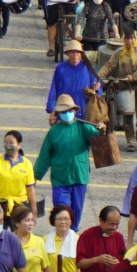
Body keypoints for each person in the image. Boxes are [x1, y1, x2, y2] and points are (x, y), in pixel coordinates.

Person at [31, 96, 100, 230]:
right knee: (61, 209)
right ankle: (62, 234)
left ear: (75, 111)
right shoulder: (54, 132)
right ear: (58, 114)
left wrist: (102, 129)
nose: (67, 114)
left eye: (69, 110)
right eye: (63, 111)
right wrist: (35, 176)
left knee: (76, 210)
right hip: (60, 178)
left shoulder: (84, 127)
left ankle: (72, 235)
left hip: (79, 176)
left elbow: (98, 136)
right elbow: (45, 156)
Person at [0, 130, 35, 213]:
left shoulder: (26, 164)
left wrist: (34, 211)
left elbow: (30, 189)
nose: (8, 146)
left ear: (19, 145)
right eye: (6, 142)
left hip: (20, 206)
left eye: (11, 143)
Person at [47, 40, 102, 117]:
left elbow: (97, 88)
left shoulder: (88, 68)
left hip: (83, 108)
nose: (75, 55)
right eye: (72, 52)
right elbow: (54, 88)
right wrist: (52, 109)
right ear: (68, 54)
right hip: (64, 109)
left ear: (81, 55)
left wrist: (97, 88)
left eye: (77, 52)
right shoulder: (61, 68)